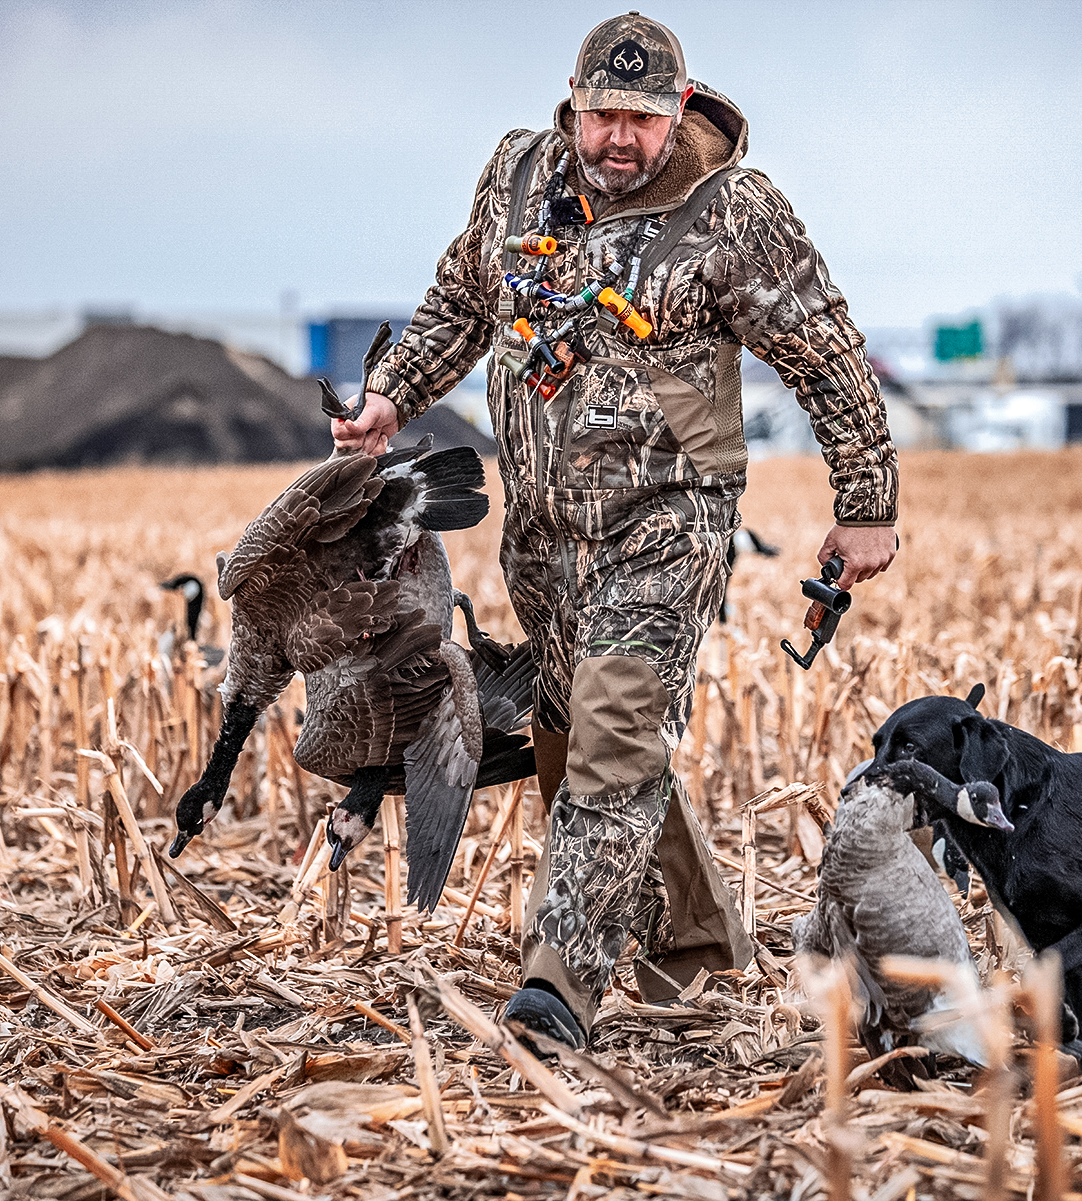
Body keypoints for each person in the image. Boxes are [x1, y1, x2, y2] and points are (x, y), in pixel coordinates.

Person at [334, 11, 899, 1048]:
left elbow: (824, 352)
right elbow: (462, 302)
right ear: (573, 102)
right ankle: (699, 945)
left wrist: (865, 503)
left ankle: (561, 982)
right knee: (573, 731)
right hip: (544, 530)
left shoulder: (734, 213)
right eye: (602, 117)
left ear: (677, 108)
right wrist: (390, 396)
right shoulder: (517, 179)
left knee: (618, 730)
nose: (619, 142)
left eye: (641, 119)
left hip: (669, 521)